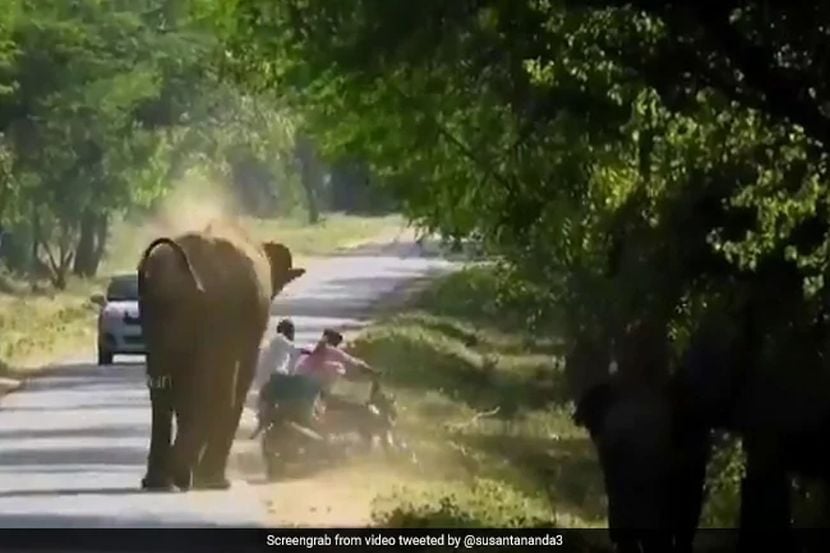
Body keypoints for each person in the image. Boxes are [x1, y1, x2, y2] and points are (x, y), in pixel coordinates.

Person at [294, 328, 379, 409]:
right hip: (310, 384)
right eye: (337, 344)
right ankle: (323, 400)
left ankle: (322, 400)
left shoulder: (308, 347)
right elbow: (354, 363)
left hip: (297, 379)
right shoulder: (331, 350)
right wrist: (372, 371)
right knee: (337, 367)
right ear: (333, 343)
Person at [252, 318, 308, 392]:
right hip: (273, 377)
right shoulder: (280, 339)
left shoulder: (273, 341)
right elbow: (296, 351)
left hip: (263, 379)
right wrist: (311, 351)